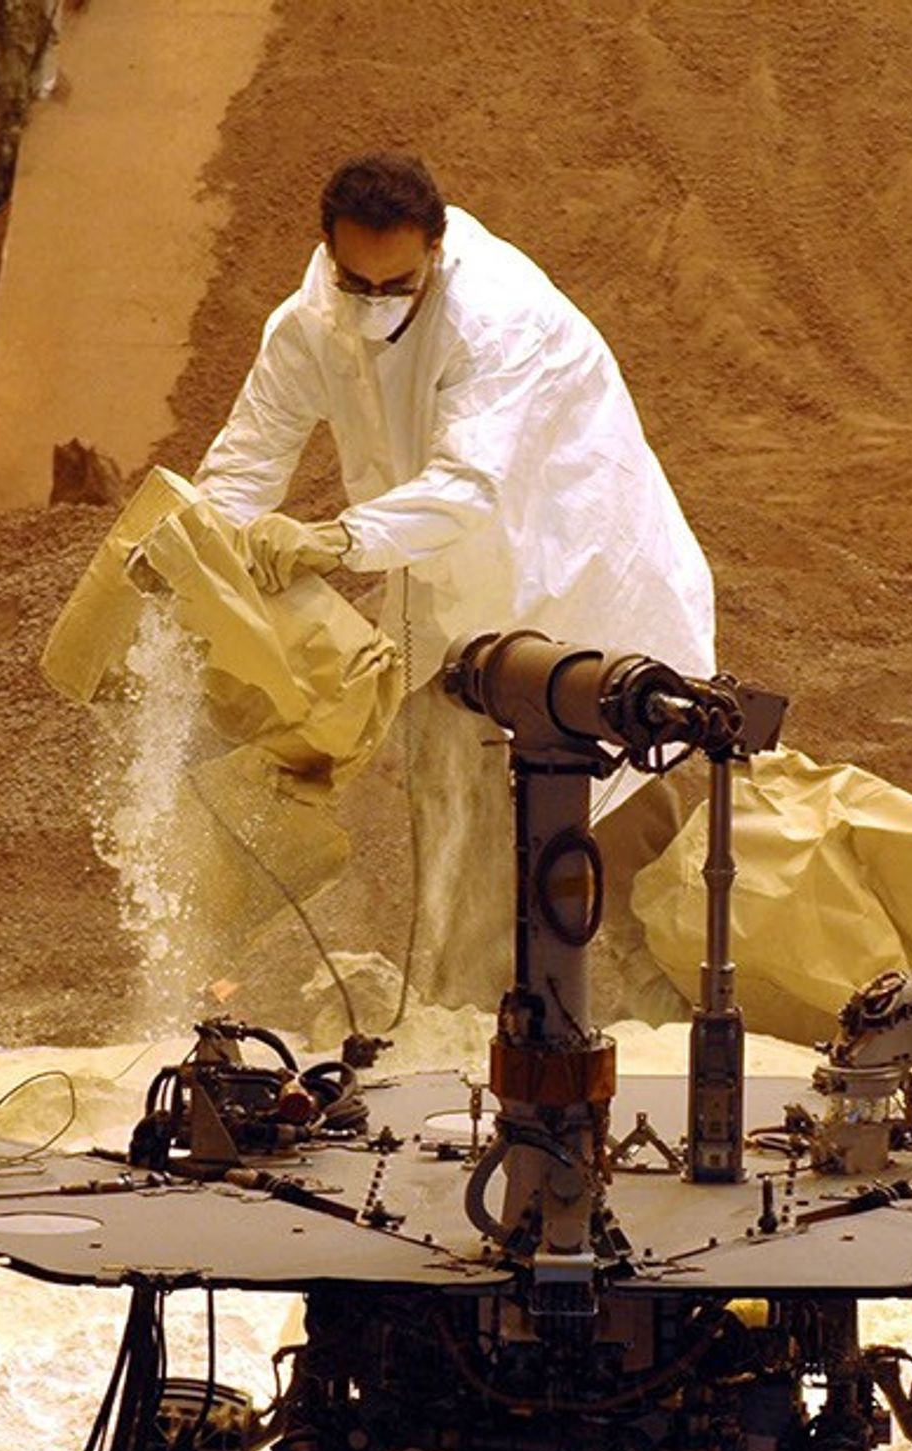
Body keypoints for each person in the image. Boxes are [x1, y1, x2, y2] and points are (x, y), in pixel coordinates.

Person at [192, 153, 715, 1010]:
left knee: (614, 850)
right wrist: (197, 554)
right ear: (327, 249)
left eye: (395, 284)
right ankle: (473, 1027)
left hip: (570, 582)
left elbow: (470, 486)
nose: (372, 301)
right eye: (354, 280)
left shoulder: (497, 318)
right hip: (445, 598)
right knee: (459, 826)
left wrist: (337, 537)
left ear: (435, 250)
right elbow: (247, 460)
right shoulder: (310, 322)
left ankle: (692, 1029)